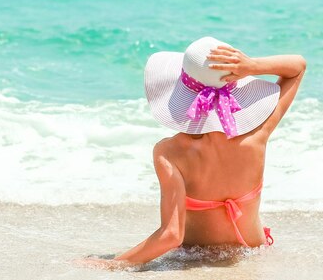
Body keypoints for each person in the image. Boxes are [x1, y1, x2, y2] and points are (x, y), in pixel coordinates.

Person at [79, 36, 306, 269]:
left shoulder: (169, 153)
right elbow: (297, 67)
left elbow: (171, 236)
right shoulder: (259, 133)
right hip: (254, 257)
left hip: (197, 261)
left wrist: (114, 264)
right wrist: (252, 66)